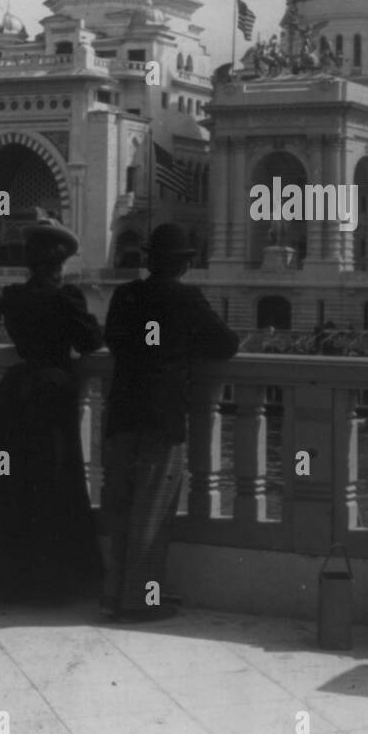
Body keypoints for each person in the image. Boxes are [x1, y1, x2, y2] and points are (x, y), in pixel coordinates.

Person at [0, 213, 103, 601]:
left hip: (16, 395)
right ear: (60, 262)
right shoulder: (66, 299)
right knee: (51, 482)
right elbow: (90, 341)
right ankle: (46, 578)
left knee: (7, 483)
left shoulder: (14, 298)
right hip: (51, 397)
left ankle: (6, 574)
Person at [102, 222, 239, 621]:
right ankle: (140, 600)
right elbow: (225, 344)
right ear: (183, 264)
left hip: (123, 407)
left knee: (120, 504)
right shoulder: (186, 299)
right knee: (153, 509)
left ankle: (113, 594)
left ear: (149, 260)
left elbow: (113, 338)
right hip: (162, 412)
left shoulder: (125, 295)